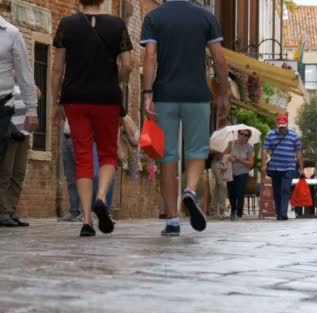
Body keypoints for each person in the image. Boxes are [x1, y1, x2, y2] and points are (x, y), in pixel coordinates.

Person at [141, 0, 229, 236]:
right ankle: (190, 190)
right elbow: (219, 60)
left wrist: (147, 94)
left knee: (167, 156)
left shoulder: (154, 17)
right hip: (197, 96)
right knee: (197, 152)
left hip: (165, 96)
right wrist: (224, 94)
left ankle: (171, 220)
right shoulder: (205, 17)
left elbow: (150, 56)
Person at [52, 0, 133, 237]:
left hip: (75, 98)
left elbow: (57, 68)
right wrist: (113, 80)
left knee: (83, 156)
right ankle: (101, 198)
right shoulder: (117, 24)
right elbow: (128, 64)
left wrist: (55, 101)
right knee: (108, 153)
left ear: (79, 0)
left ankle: (86, 220)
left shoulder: (67, 24)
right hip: (107, 99)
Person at [0, 16, 38, 227]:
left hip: (10, 115)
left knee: (15, 171)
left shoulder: (11, 33)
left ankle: (8, 210)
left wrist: (32, 110)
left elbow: (26, 75)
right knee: (5, 170)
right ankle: (3, 210)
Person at [0, 85, 39, 227]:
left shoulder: (25, 82)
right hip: (9, 134)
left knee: (19, 174)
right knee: (5, 173)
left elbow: (38, 93)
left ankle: (11, 210)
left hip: (24, 134)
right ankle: (2, 212)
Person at [261, 114, 304, 221]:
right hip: (275, 167)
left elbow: (298, 152)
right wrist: (264, 165)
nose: (281, 128)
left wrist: (301, 167)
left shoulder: (294, 136)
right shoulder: (270, 135)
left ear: (287, 125)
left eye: (283, 126)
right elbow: (265, 150)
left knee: (285, 189)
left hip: (289, 167)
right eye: (280, 126)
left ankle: (283, 212)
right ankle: (279, 213)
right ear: (277, 125)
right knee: (276, 191)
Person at [224, 129, 254, 220]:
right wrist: (229, 157)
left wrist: (239, 159)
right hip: (231, 172)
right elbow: (223, 155)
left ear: (248, 138)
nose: (243, 136)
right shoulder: (231, 144)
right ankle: (233, 210)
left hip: (243, 172)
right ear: (238, 134)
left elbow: (251, 164)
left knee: (240, 192)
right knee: (231, 192)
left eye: (246, 135)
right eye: (242, 134)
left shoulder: (249, 147)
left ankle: (239, 213)